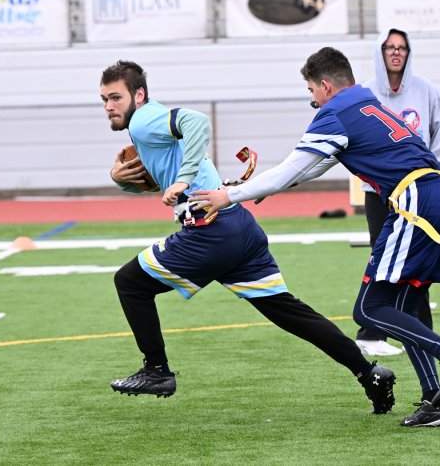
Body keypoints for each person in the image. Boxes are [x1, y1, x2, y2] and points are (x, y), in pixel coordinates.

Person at [192, 47, 440, 428]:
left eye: (311, 93)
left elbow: (291, 167)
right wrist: (265, 188)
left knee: (368, 310)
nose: (312, 101)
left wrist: (228, 195)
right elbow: (317, 165)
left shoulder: (333, 112)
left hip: (416, 200)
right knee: (406, 306)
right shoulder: (368, 103)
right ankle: (436, 402)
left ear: (326, 85)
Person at [100, 60, 397, 413]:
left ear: (139, 94)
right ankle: (369, 373)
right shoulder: (151, 127)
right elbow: (158, 178)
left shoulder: (146, 118)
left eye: (115, 97)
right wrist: (122, 179)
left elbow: (197, 122)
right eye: (103, 99)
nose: (108, 107)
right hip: (239, 225)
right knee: (288, 311)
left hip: (210, 230)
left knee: (130, 282)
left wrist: (182, 180)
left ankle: (156, 369)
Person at [355, 27, 440, 357]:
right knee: (383, 261)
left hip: (419, 194)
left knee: (418, 265)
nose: (396, 52)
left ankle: (422, 334)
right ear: (380, 52)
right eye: (389, 47)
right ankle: (371, 333)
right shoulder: (365, 94)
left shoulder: (425, 91)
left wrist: (430, 176)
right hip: (380, 193)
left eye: (402, 48)